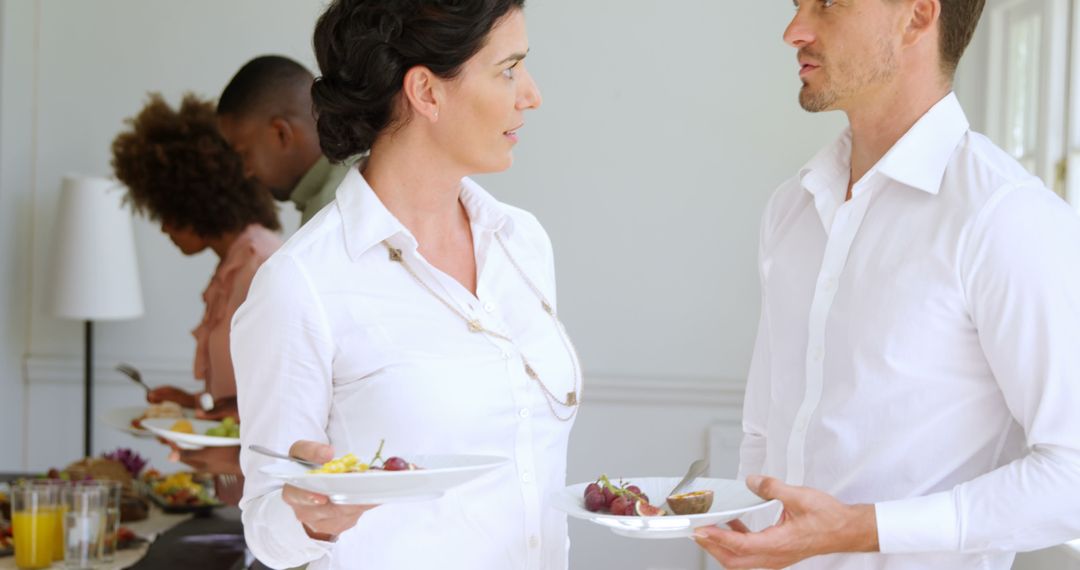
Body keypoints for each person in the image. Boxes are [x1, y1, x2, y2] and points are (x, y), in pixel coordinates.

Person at [693, 0, 1080, 568]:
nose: (794, 31)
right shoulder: (792, 208)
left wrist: (863, 529)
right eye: (797, 4)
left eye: (828, 4)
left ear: (917, 16)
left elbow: (1073, 475)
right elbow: (762, 431)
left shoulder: (1006, 218)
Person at [231, 1, 578, 569]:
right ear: (426, 92)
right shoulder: (301, 283)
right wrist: (311, 518)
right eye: (509, 69)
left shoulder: (523, 243)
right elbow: (266, 525)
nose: (531, 95)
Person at [111, 94, 283, 499]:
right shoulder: (233, 266)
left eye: (165, 211)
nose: (163, 227)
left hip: (264, 487)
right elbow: (242, 393)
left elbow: (285, 397)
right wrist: (192, 405)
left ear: (195, 198)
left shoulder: (262, 266)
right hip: (235, 487)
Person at [217, 55, 351, 226]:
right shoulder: (366, 167)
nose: (245, 172)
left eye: (244, 155)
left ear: (281, 134)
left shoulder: (330, 214)